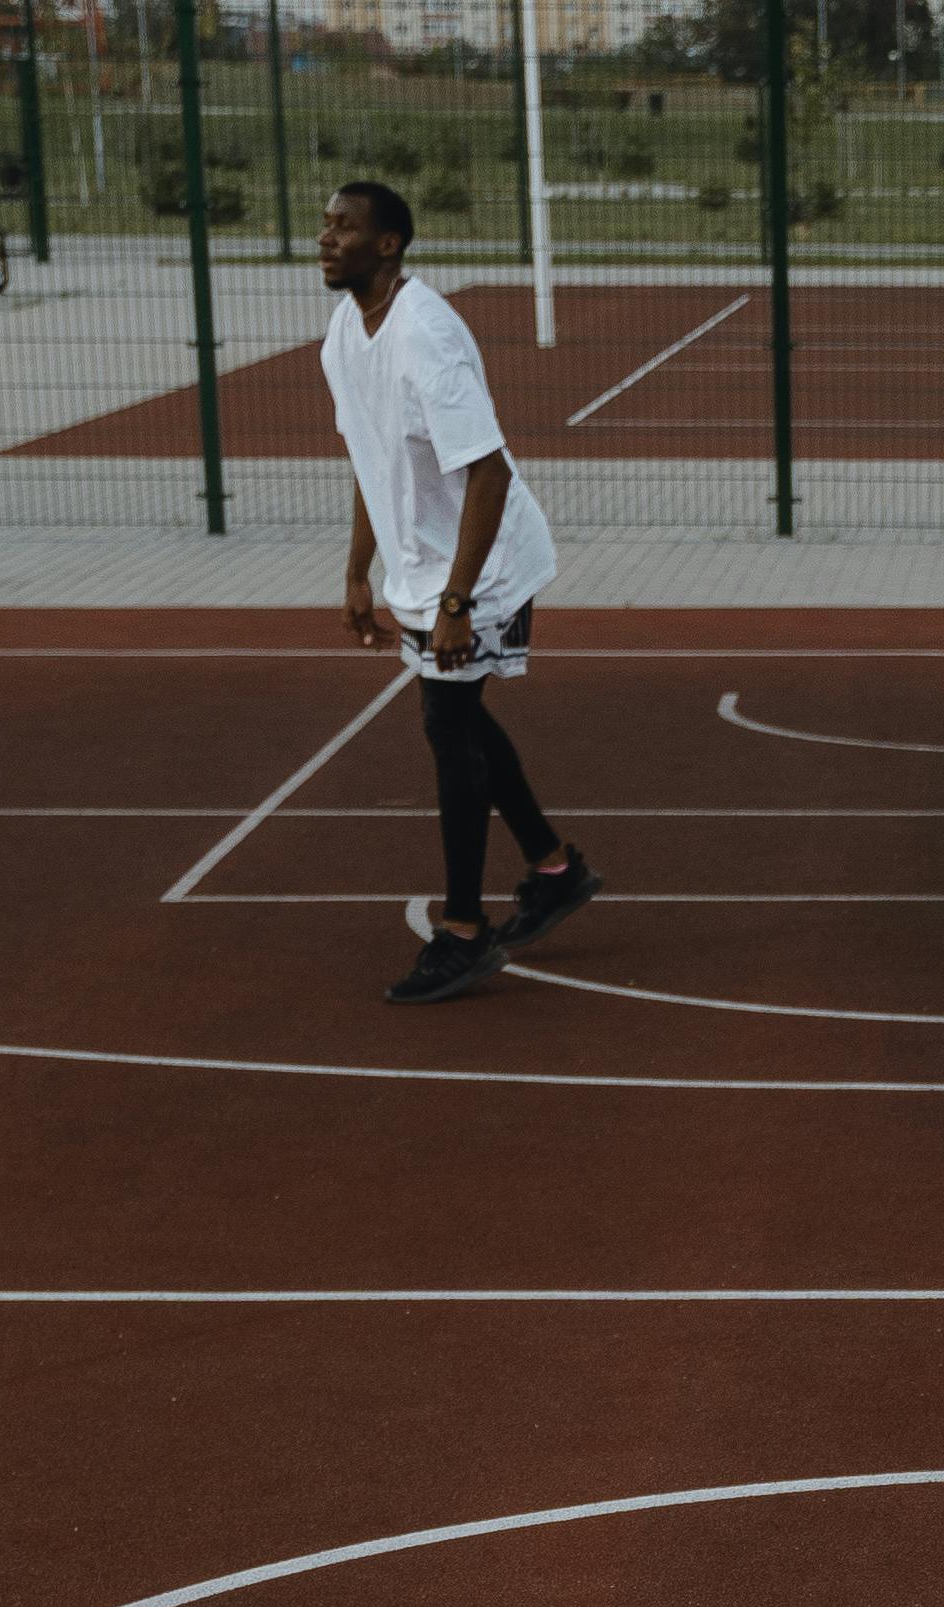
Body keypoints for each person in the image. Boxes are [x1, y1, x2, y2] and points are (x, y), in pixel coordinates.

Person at [315, 179, 591, 1008]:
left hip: (485, 563)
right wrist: (359, 569)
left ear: (389, 245)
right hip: (426, 569)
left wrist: (459, 603)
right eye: (325, 226)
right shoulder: (343, 333)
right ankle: (554, 869)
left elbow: (490, 473)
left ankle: (466, 931)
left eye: (344, 228)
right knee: (459, 717)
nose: (326, 239)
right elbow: (373, 458)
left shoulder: (426, 334)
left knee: (446, 721)